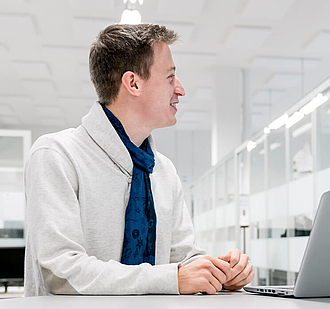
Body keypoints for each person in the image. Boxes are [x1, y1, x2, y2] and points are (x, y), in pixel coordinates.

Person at [24, 24, 253, 296]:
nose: (180, 89)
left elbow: (181, 259)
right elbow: (62, 273)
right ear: (133, 83)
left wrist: (219, 273)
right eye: (170, 77)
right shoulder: (57, 155)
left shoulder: (163, 171)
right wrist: (173, 278)